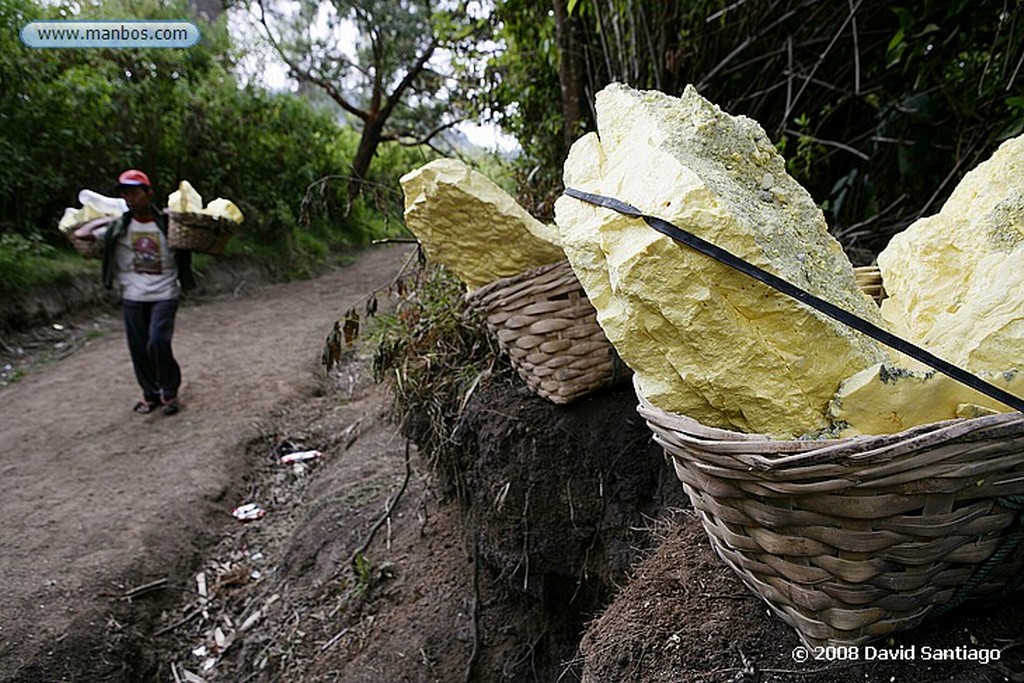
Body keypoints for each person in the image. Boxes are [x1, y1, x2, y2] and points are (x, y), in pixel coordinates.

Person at [94, 169, 195, 416]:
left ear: (149, 194)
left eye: (135, 193)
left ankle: (169, 391)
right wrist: (107, 220)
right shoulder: (119, 226)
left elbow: (195, 235)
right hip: (132, 295)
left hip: (165, 292)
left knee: (158, 342)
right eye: (125, 194)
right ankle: (151, 395)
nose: (130, 198)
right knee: (138, 348)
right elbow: (83, 234)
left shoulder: (168, 224)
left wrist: (176, 215)